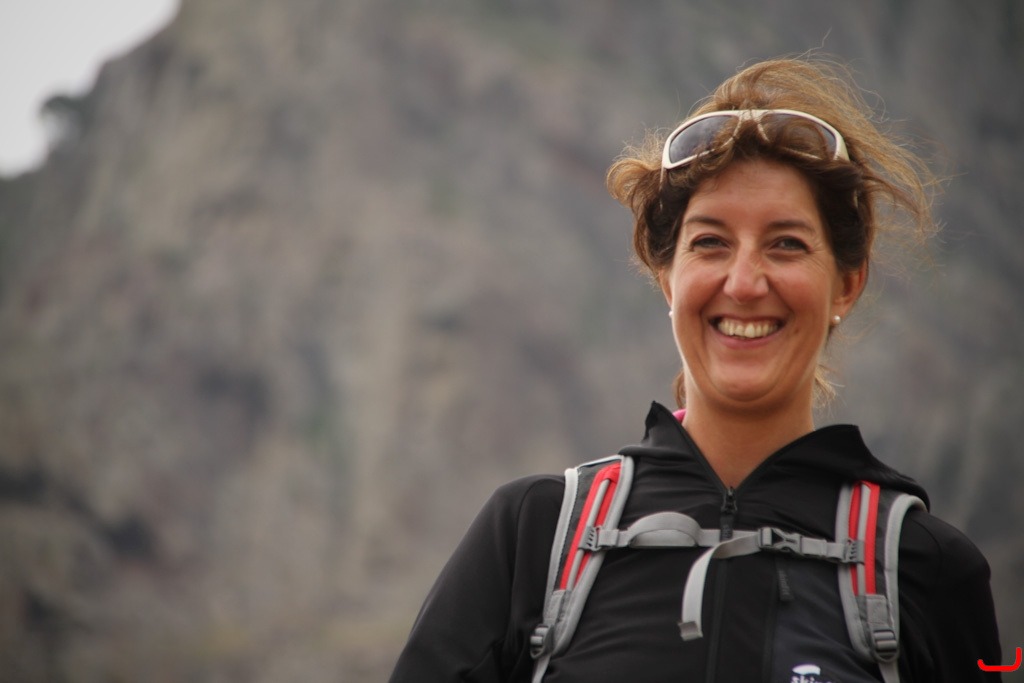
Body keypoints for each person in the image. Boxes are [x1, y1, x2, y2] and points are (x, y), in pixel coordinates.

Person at [388, 57, 1002, 682]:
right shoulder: (535, 538)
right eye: (710, 242)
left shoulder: (927, 571)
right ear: (667, 278)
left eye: (786, 244)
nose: (744, 282)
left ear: (846, 284)